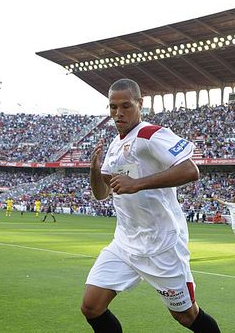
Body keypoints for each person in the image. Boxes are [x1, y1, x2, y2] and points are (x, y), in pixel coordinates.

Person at [81, 79, 220, 333]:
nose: (118, 113)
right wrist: (94, 171)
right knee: (91, 307)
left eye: (125, 106)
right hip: (125, 244)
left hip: (161, 245)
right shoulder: (114, 145)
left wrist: (138, 184)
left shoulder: (150, 134)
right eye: (113, 107)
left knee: (187, 316)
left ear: (140, 104)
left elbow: (191, 170)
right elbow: (102, 193)